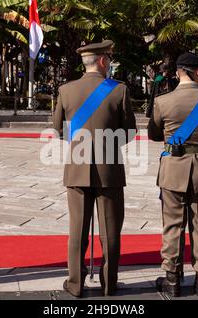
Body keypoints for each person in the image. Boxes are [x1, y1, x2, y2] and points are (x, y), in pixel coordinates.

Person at [53, 40, 137, 297]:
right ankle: (109, 284)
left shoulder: (66, 90)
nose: (109, 64)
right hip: (109, 170)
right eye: (109, 60)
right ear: (102, 61)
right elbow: (129, 132)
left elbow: (58, 130)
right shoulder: (118, 90)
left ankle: (76, 284)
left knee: (77, 231)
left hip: (77, 169)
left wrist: (81, 140)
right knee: (110, 231)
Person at [148, 52, 198, 297]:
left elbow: (153, 134)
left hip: (172, 169)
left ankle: (172, 279)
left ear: (178, 72)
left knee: (172, 225)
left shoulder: (163, 101)